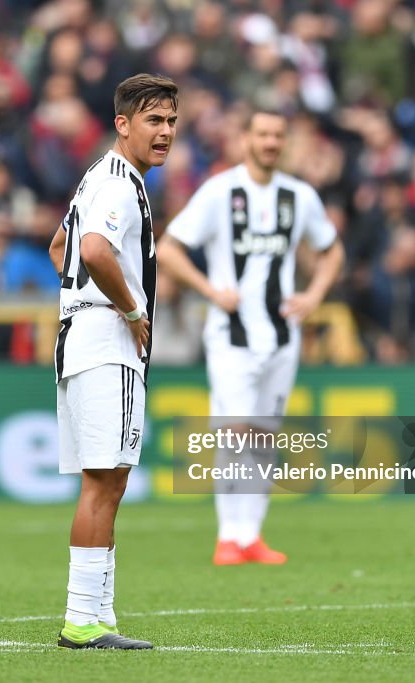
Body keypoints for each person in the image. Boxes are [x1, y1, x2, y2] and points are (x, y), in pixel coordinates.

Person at [157, 109, 344, 566]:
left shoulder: (299, 196)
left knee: (263, 434)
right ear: (244, 139)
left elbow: (331, 248)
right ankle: (228, 536)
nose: (270, 143)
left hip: (282, 335)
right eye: (262, 134)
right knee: (235, 431)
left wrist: (314, 294)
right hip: (232, 336)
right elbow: (168, 248)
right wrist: (210, 291)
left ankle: (251, 535)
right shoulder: (221, 191)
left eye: (278, 135)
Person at [48, 73, 177, 649]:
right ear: (123, 123)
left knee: (110, 481)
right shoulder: (121, 182)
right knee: (104, 484)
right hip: (106, 342)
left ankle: (100, 617)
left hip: (81, 336)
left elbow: (61, 248)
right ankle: (82, 620)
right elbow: (94, 250)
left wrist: (78, 297)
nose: (166, 132)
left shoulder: (97, 179)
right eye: (154, 121)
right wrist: (128, 309)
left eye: (171, 121)